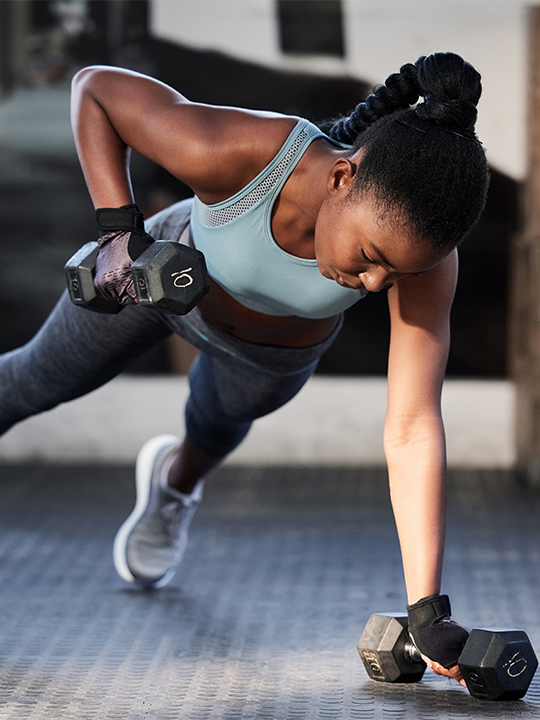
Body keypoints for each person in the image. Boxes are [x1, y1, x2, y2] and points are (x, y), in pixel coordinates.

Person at [0, 52, 489, 686]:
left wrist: (425, 609)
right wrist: (119, 232)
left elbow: (413, 425)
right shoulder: (251, 153)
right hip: (161, 278)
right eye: (371, 257)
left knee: (212, 430)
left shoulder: (427, 265)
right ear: (343, 176)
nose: (374, 284)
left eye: (397, 274)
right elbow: (95, 90)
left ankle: (173, 487)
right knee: (28, 383)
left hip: (270, 356)